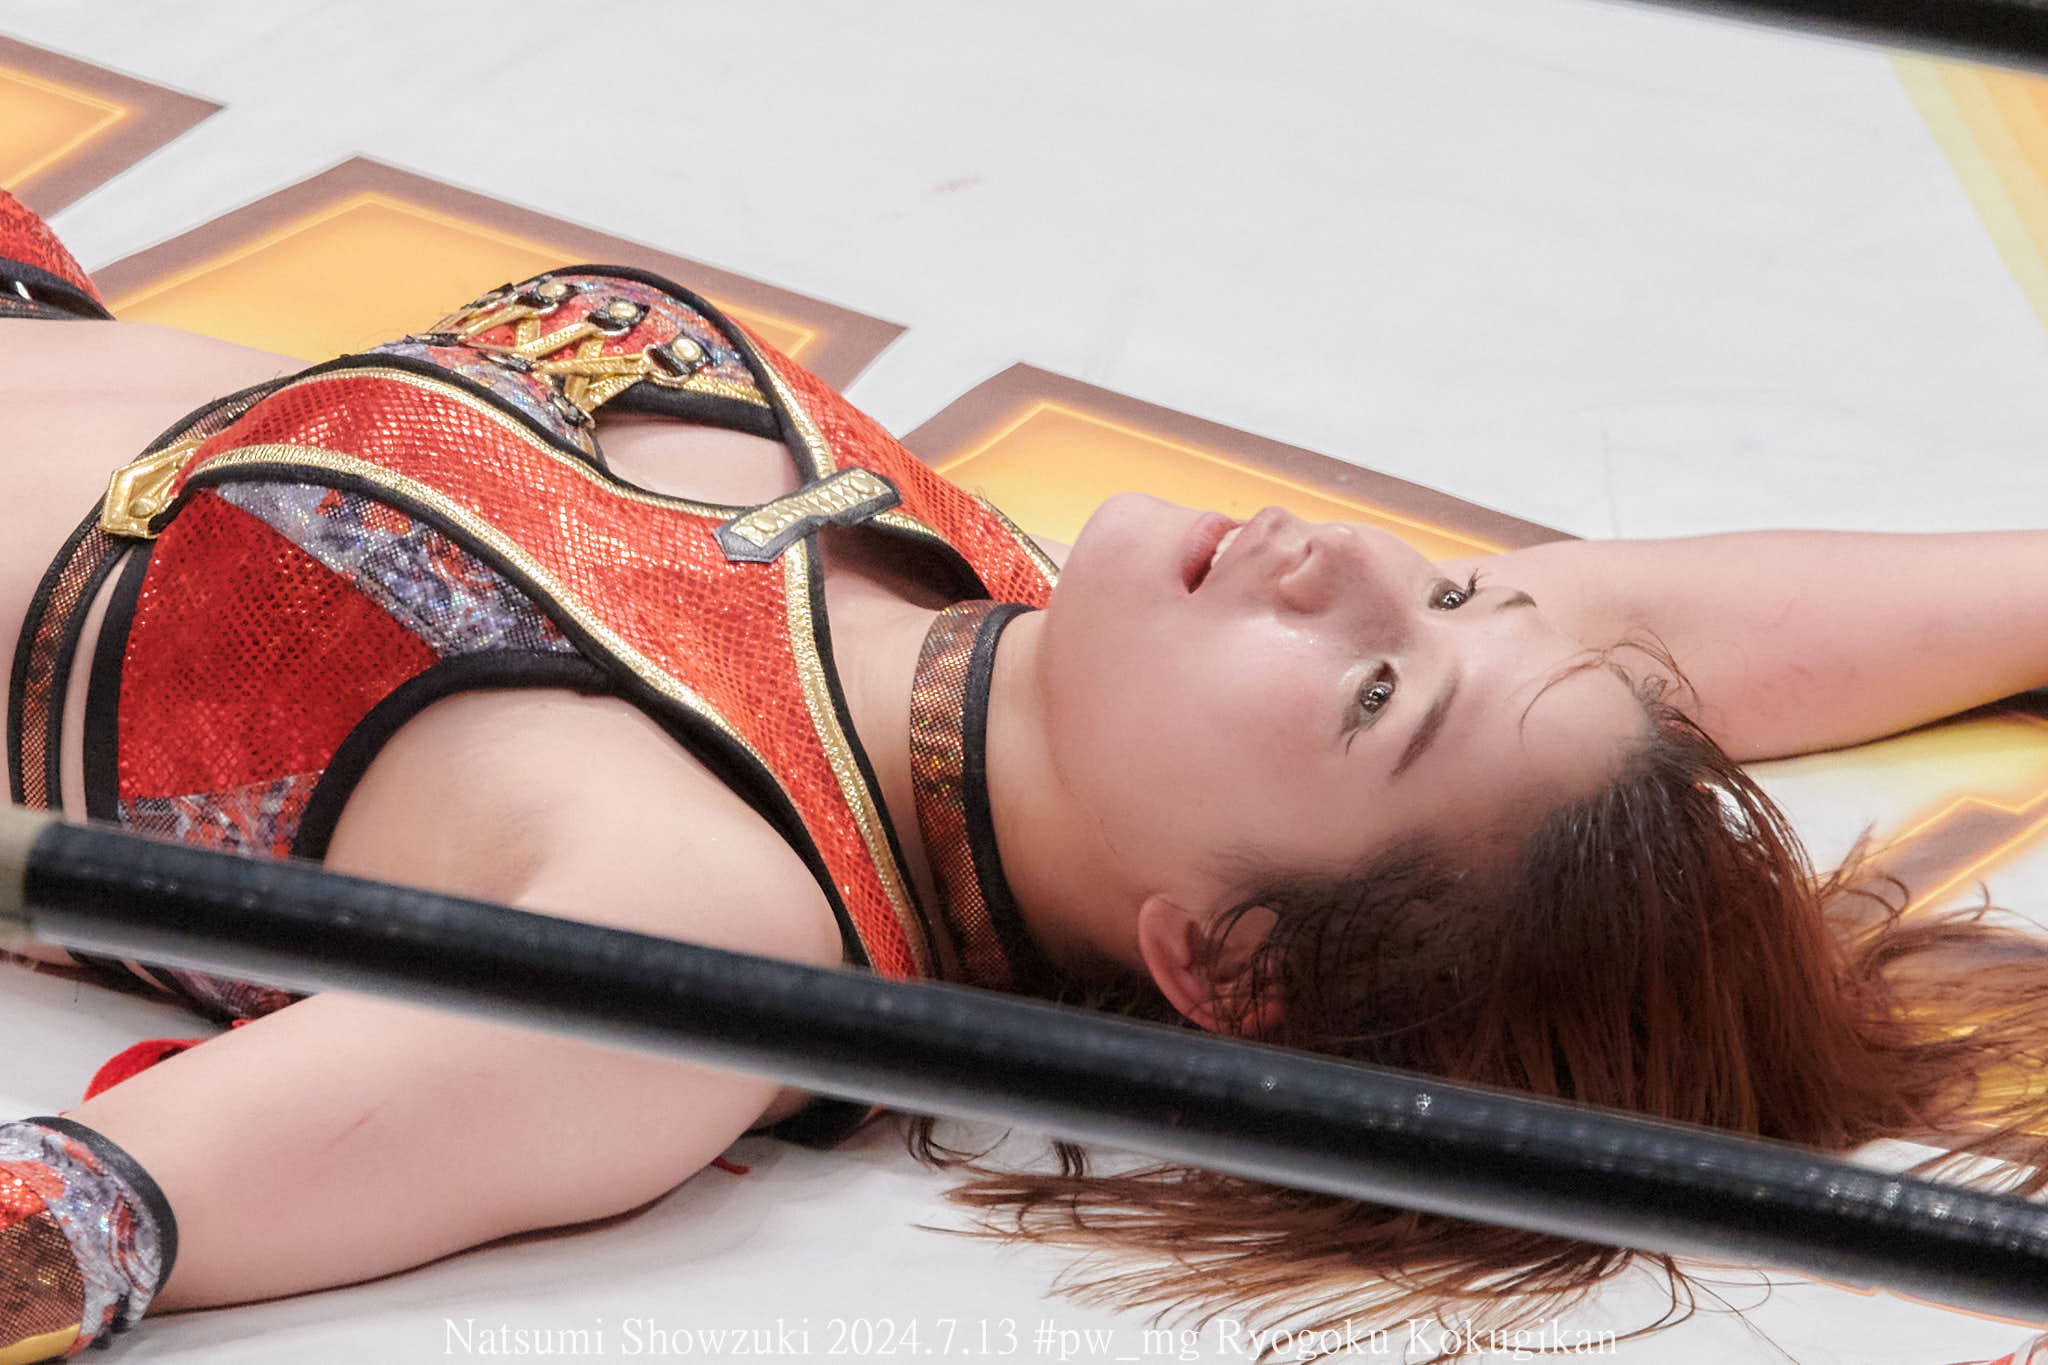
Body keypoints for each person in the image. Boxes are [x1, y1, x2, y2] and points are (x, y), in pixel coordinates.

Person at [1, 187, 2046, 1364]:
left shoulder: (705, 936)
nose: (1347, 563)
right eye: (1448, 590)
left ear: (1228, 964)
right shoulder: (1052, 651)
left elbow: (95, 1212)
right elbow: (1661, 638)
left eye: (1370, 693)